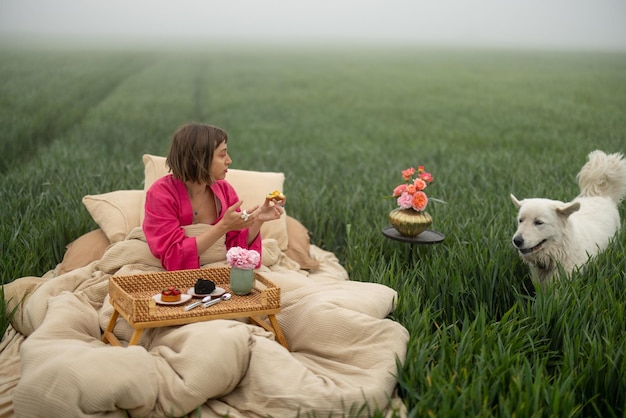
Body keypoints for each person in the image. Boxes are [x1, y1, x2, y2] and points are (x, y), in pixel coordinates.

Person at [143, 122, 285, 271]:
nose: (229, 160)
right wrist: (223, 226)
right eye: (222, 154)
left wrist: (259, 220)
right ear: (198, 158)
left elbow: (236, 246)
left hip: (219, 266)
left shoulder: (224, 190)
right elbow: (173, 255)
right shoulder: (161, 194)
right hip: (175, 271)